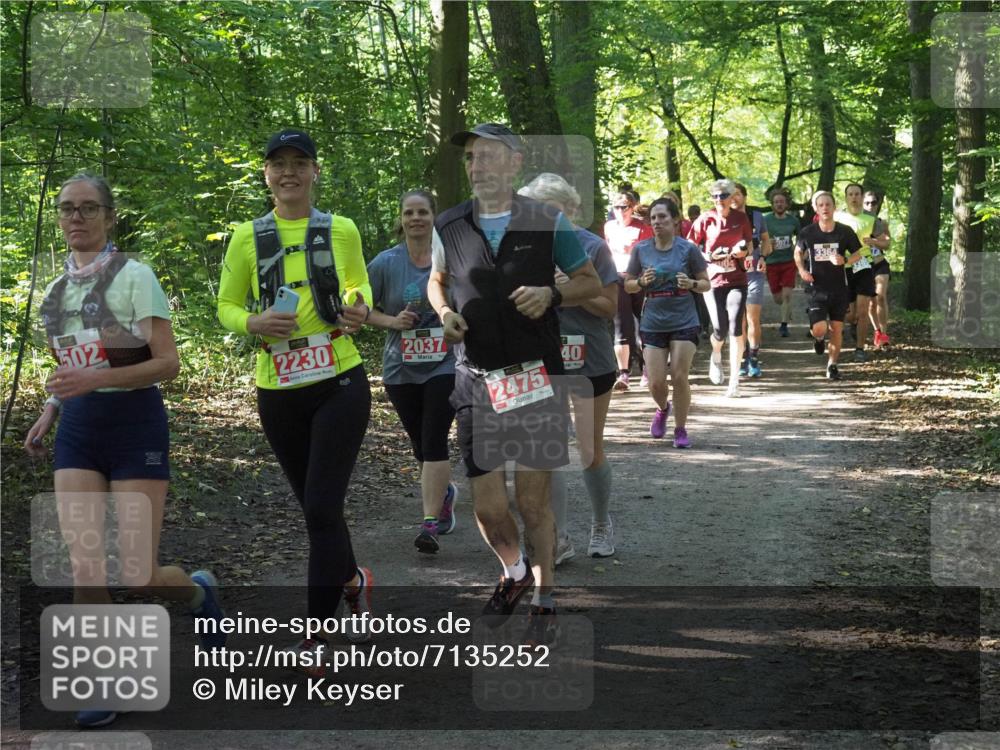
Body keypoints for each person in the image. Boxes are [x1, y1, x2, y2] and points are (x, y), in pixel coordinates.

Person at [25, 173, 225, 728]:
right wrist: (52, 407)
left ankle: (196, 590)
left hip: (135, 423)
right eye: (68, 209)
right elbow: (71, 367)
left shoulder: (134, 275)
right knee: (86, 563)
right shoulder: (54, 291)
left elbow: (167, 362)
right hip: (80, 427)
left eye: (89, 208)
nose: (76, 218)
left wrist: (90, 384)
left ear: (110, 217)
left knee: (136, 572)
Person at [427, 123, 600, 641]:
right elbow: (436, 280)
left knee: (532, 503)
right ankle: (514, 571)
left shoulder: (547, 221)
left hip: (536, 379)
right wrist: (442, 311)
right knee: (488, 507)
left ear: (514, 164)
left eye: (488, 157)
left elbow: (590, 282)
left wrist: (552, 295)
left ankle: (545, 599)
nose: (478, 167)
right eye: (472, 159)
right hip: (475, 379)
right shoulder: (449, 224)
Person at [217, 129, 375, 663]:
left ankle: (317, 632)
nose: (289, 172)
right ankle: (352, 577)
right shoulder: (246, 236)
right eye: (279, 163)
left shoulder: (342, 229)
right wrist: (252, 321)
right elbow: (225, 305)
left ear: (314, 171)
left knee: (322, 504)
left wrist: (356, 304)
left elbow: (360, 286)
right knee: (317, 511)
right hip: (277, 385)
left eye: (299, 163)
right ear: (265, 173)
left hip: (339, 377)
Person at [517, 174, 619, 562]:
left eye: (546, 210)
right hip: (542, 357)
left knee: (589, 449)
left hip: (589, 357)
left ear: (568, 210)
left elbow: (609, 308)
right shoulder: (525, 248)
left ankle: (600, 522)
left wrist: (567, 290)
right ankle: (556, 537)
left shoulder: (593, 247)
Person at [366, 190, 457, 554]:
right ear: (401, 219)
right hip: (400, 366)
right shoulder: (385, 263)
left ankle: (429, 524)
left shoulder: (450, 259)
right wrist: (393, 320)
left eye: (422, 212)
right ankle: (444, 491)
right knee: (420, 445)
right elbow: (359, 310)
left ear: (434, 216)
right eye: (409, 212)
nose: (416, 218)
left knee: (434, 438)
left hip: (446, 362)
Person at [624, 198, 710, 448]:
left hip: (684, 317)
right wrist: (641, 282)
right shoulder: (641, 249)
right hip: (653, 321)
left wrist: (691, 283)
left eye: (662, 217)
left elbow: (706, 283)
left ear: (675, 220)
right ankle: (663, 408)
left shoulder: (688, 249)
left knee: (679, 375)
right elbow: (628, 284)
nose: (657, 222)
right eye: (653, 218)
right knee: (656, 382)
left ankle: (680, 429)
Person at [687, 178, 752, 397]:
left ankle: (734, 381)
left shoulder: (741, 219)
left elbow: (749, 244)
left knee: (736, 327)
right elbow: (690, 246)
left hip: (737, 280)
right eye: (715, 196)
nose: (719, 200)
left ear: (732, 197)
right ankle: (716, 355)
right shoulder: (705, 220)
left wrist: (743, 252)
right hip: (713, 281)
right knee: (719, 329)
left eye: (723, 196)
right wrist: (708, 256)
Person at [795, 190, 863, 381]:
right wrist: (802, 270)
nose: (825, 208)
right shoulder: (808, 232)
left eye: (828, 204)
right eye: (821, 205)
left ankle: (832, 365)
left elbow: (858, 253)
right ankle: (818, 339)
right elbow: (797, 253)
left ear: (834, 207)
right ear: (816, 209)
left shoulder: (844, 231)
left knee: (836, 328)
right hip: (816, 287)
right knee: (820, 328)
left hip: (839, 287)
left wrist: (846, 260)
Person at [604, 190, 653, 391]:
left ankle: (648, 369)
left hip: (639, 280)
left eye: (624, 207)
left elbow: (648, 254)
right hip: (617, 279)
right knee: (621, 325)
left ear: (632, 208)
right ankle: (623, 373)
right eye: (616, 207)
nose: (620, 211)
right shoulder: (608, 227)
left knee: (645, 325)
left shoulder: (642, 228)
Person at [732, 183, 772, 378]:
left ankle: (754, 357)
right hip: (733, 274)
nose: (734, 198)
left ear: (745, 197)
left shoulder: (756, 216)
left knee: (752, 317)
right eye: (731, 195)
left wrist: (763, 256)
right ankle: (741, 357)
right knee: (738, 319)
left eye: (738, 194)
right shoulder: (723, 219)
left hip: (754, 272)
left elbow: (766, 241)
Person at [835, 183, 876, 363]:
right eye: (850, 194)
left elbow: (884, 240)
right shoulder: (837, 217)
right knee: (851, 315)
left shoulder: (871, 219)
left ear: (861, 197)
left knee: (862, 310)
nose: (854, 197)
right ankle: (850, 324)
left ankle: (860, 348)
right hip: (843, 267)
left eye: (857, 194)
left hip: (863, 264)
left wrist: (879, 242)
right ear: (846, 198)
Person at [763, 188, 801, 337]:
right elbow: (759, 238)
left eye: (782, 202)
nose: (779, 204)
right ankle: (786, 309)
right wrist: (767, 242)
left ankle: (784, 325)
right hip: (772, 262)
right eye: (776, 202)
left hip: (788, 261)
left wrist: (796, 247)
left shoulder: (793, 221)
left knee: (786, 295)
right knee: (778, 298)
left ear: (787, 204)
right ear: (772, 204)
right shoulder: (766, 220)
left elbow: (801, 238)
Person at [863, 190, 892, 348]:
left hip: (880, 264)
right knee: (871, 303)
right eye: (867, 203)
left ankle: (884, 333)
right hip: (863, 266)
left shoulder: (882, 223)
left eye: (873, 202)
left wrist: (873, 241)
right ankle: (877, 331)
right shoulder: (856, 223)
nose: (870, 206)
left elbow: (887, 244)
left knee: (880, 296)